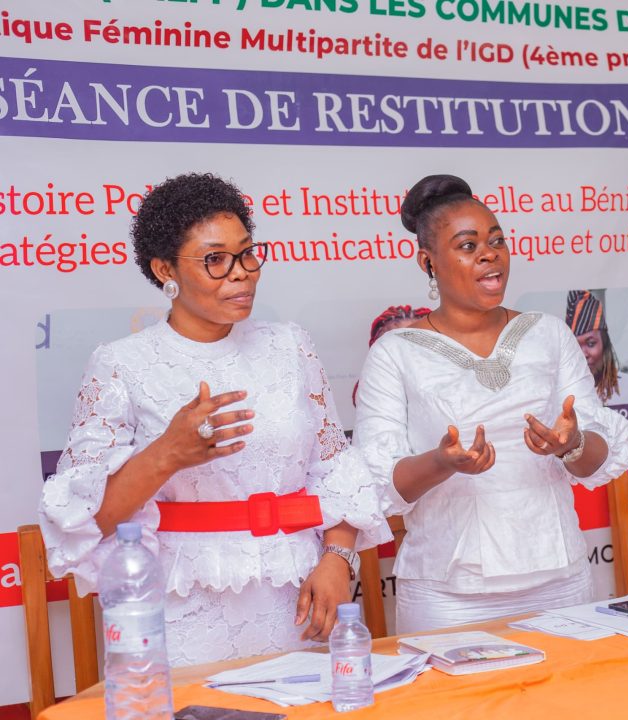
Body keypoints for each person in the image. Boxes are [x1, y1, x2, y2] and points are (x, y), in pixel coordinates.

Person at [39, 173, 390, 666]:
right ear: (165, 269)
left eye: (247, 253)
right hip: (183, 605)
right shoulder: (121, 364)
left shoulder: (290, 345)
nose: (241, 272)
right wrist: (166, 454)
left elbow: (335, 469)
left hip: (298, 593)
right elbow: (91, 519)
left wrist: (338, 559)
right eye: (215, 260)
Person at [354, 174, 628, 633]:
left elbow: (596, 461)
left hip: (558, 579)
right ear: (428, 262)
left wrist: (572, 443)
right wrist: (443, 461)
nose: (490, 254)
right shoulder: (395, 352)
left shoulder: (548, 334)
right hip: (448, 594)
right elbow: (381, 485)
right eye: (468, 245)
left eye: (497, 240)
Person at [565, 290, 628, 406]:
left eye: (591, 343)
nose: (583, 354)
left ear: (605, 345)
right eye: (575, 346)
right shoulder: (561, 396)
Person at [352, 305, 432, 407]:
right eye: (392, 344)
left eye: (414, 341)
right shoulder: (370, 387)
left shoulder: (446, 384)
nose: (405, 351)